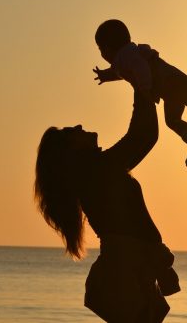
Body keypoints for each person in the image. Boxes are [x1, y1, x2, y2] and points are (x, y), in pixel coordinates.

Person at [34, 89, 179, 323]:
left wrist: (142, 86)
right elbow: (142, 136)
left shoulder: (97, 171)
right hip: (125, 273)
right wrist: (140, 84)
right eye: (73, 132)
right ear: (71, 152)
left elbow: (143, 136)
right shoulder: (98, 171)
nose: (80, 126)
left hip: (129, 270)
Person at [93, 19, 187, 168]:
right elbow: (121, 71)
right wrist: (106, 76)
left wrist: (145, 89)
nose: (102, 54)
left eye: (101, 49)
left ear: (107, 48)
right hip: (173, 83)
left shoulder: (125, 56)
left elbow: (140, 67)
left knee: (179, 116)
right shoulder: (127, 56)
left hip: (170, 83)